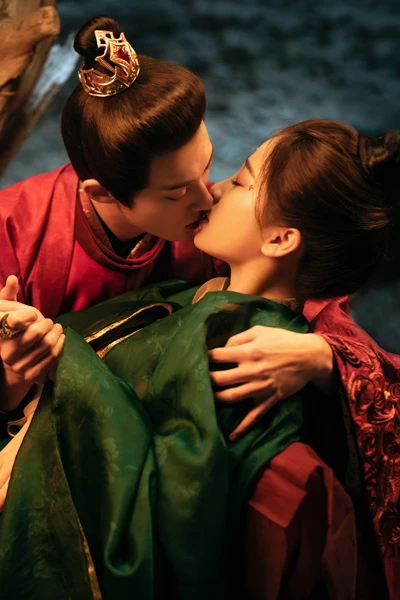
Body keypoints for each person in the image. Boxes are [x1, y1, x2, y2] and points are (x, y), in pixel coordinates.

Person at [1, 118, 398, 599]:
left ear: (280, 239)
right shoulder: (192, 292)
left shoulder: (247, 350)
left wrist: (65, 359)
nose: (213, 192)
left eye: (240, 181)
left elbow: (168, 509)